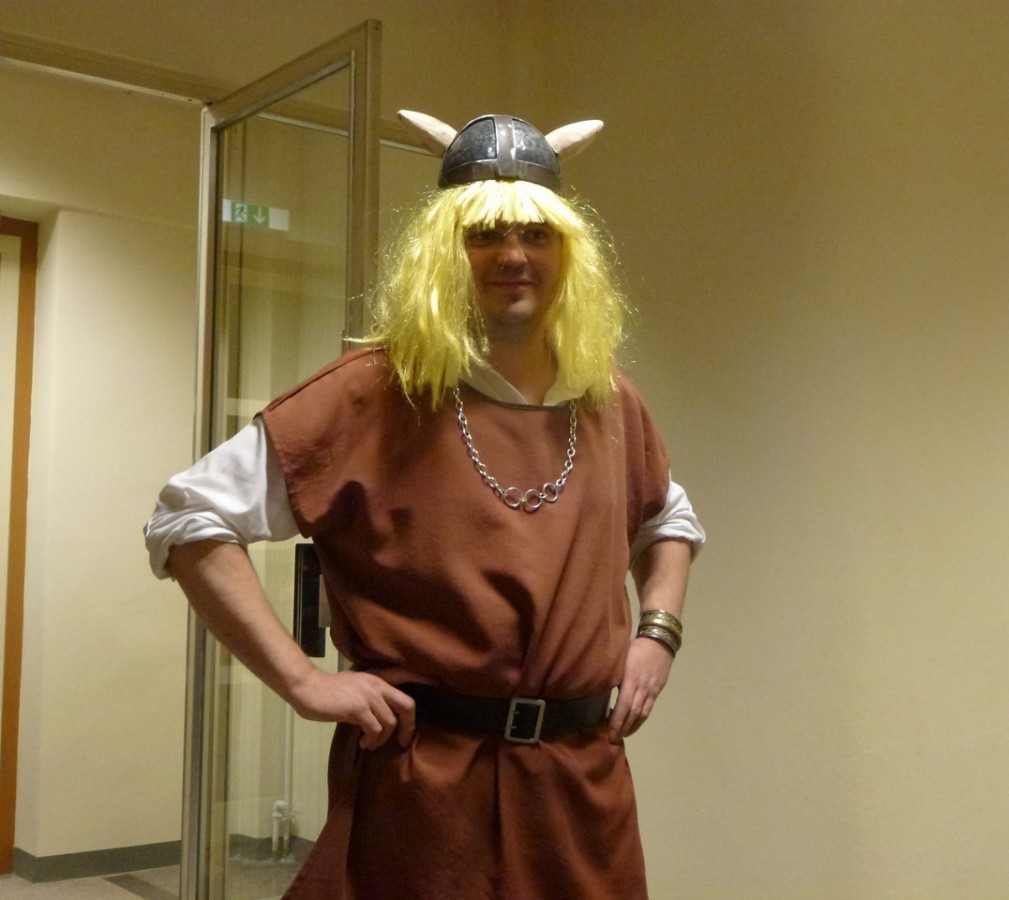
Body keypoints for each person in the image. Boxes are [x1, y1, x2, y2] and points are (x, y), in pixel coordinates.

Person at [145, 111, 704, 899]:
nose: (514, 255)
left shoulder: (607, 400)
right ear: (445, 251)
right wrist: (303, 681)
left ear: (567, 254)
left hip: (580, 787)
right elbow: (188, 516)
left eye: (536, 234)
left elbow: (667, 517)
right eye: (485, 235)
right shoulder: (372, 394)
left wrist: (658, 632)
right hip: (427, 790)